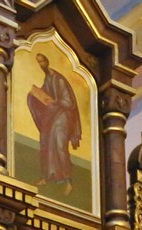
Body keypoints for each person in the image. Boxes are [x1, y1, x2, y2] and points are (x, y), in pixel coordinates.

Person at [27, 53, 81, 196]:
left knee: (59, 144)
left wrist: (54, 102)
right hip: (54, 114)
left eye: (42, 61)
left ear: (47, 61)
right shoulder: (48, 79)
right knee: (45, 140)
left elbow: (68, 103)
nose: (41, 65)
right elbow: (45, 93)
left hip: (64, 115)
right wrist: (36, 95)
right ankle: (47, 176)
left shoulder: (59, 80)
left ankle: (68, 181)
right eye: (39, 63)